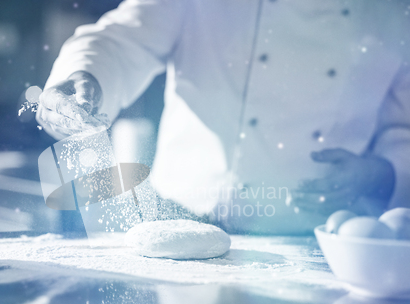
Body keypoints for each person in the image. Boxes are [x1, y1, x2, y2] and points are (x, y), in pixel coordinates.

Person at [37, 0, 410, 234]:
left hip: (313, 236)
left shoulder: (395, 14)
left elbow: (403, 126)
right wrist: (83, 76)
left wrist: (384, 172)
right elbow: (119, 39)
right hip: (179, 218)